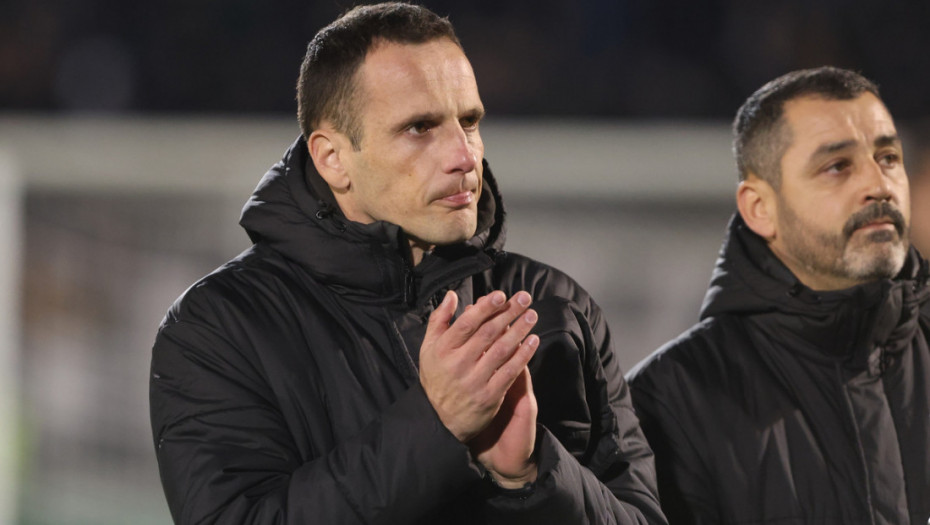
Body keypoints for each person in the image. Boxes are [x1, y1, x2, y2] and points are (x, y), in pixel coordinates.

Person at [149, 3, 665, 524]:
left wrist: (532, 475)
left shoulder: (554, 304)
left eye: (469, 121)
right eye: (420, 128)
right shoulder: (217, 328)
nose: (464, 156)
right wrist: (436, 427)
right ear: (333, 159)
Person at [626, 66, 930, 524]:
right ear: (760, 209)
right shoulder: (667, 401)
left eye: (888, 158)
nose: (879, 186)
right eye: (837, 166)